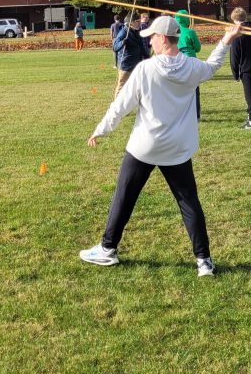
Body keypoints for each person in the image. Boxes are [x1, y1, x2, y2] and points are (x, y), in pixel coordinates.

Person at [80, 16, 242, 276]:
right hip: (177, 148)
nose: (150, 41)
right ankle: (204, 261)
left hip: (145, 146)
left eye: (153, 37)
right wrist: (226, 39)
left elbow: (121, 105)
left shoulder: (146, 69)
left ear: (164, 39)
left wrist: (101, 129)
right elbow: (212, 65)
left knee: (124, 197)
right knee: (189, 202)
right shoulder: (190, 67)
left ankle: (108, 249)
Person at [111, 17, 150, 97]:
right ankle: (116, 105)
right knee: (122, 86)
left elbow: (141, 47)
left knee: (138, 86)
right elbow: (115, 46)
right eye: (137, 21)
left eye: (139, 21)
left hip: (137, 64)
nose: (139, 22)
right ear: (131, 22)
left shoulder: (137, 32)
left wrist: (147, 57)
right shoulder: (124, 32)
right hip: (126, 65)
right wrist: (122, 42)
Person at [175, 9, 202, 119]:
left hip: (176, 62)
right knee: (194, 89)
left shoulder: (173, 32)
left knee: (178, 90)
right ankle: (196, 114)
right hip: (190, 62)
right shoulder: (190, 32)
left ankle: (180, 114)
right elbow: (198, 48)